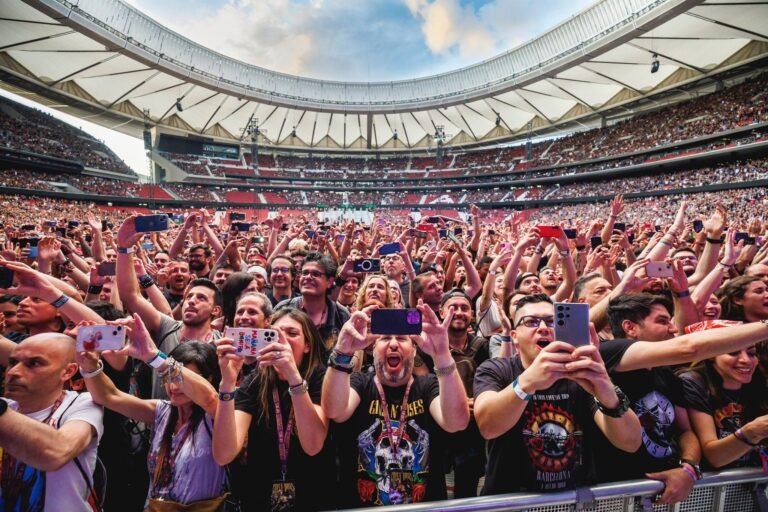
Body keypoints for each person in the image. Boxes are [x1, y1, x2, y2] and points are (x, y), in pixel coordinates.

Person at [473, 294, 642, 492]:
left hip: (571, 502)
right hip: (511, 501)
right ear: (514, 336)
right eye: (531, 322)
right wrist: (528, 382)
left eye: (552, 321)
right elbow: (488, 426)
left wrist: (605, 387)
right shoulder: (495, 369)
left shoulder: (580, 374)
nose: (543, 327)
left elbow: (630, 442)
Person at [322, 301, 469, 507]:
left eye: (401, 338)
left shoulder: (428, 386)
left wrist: (442, 355)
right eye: (385, 338)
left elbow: (457, 422)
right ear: (373, 349)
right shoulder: (359, 383)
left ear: (414, 351)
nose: (393, 343)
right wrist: (343, 350)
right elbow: (334, 411)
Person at [76, 315, 227, 509]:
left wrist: (153, 356)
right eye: (168, 377)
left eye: (181, 378)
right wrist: (89, 366)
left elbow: (209, 397)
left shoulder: (218, 415)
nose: (174, 385)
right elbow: (108, 396)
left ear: (209, 378)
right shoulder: (162, 410)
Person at [213, 307, 335, 511]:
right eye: (275, 334)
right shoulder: (254, 381)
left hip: (315, 499)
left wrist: (293, 377)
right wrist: (227, 384)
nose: (282, 340)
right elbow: (223, 454)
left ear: (307, 345)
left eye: (292, 333)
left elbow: (313, 445)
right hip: (259, 500)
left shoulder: (320, 378)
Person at [601, 294, 702, 504]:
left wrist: (689, 468)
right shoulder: (606, 355)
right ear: (630, 328)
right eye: (662, 321)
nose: (673, 329)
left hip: (670, 491)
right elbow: (688, 348)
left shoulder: (666, 374)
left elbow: (685, 431)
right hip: (618, 494)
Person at [0, 333, 104, 511]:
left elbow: (58, 451)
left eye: (34, 363)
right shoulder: (7, 408)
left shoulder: (82, 404)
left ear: (68, 372)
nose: (13, 372)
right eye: (12, 362)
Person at [680, 338, 768, 469]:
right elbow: (715, 457)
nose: (746, 360)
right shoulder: (693, 382)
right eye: (733, 352)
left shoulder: (759, 382)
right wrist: (753, 432)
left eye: (751, 353)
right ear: (711, 355)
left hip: (748, 484)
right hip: (705, 485)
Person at [275, 252, 350, 353]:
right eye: (304, 273)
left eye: (316, 274)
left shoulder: (342, 315)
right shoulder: (283, 308)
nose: (308, 277)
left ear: (329, 282)